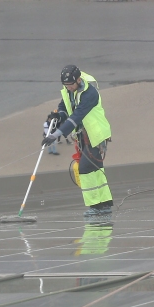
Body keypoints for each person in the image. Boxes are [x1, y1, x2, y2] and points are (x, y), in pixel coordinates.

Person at [41, 66, 114, 218]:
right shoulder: (69, 89)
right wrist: (58, 116)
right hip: (82, 134)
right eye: (66, 86)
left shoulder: (90, 93)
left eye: (70, 85)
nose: (68, 88)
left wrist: (56, 135)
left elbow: (77, 116)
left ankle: (95, 205)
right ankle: (105, 204)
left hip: (95, 134)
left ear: (78, 80)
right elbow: (64, 106)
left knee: (85, 168)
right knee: (96, 169)